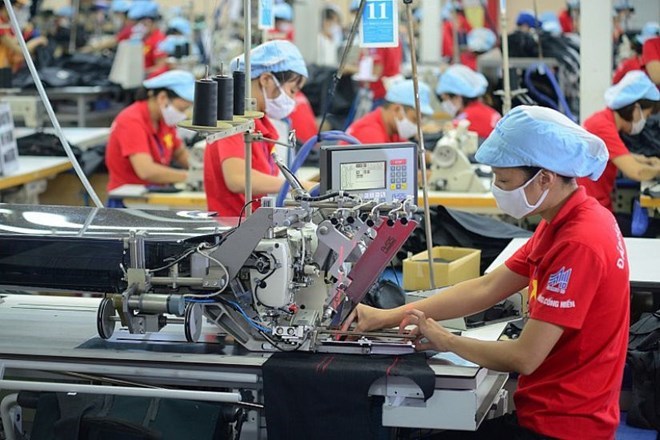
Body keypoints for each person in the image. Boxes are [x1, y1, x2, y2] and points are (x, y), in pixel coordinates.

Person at [345, 105, 630, 440]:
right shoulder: (564, 221)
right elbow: (488, 287)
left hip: (564, 427)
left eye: (504, 180)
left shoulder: (578, 242)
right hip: (556, 409)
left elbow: (525, 357)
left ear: (545, 178)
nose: (497, 188)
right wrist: (384, 317)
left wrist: (446, 340)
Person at [204, 40, 312, 217]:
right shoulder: (233, 119)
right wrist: (296, 185)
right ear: (266, 80)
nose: (292, 99)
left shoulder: (263, 125)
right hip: (234, 227)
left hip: (255, 223)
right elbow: (237, 178)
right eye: (292, 90)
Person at [577, 71, 660, 213]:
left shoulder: (603, 119)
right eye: (645, 116)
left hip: (593, 205)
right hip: (590, 210)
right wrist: (657, 170)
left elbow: (618, 155)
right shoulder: (603, 127)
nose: (644, 121)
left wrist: (646, 160)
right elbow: (637, 172)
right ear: (636, 109)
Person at [105, 70, 192, 199]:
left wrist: (202, 169)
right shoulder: (131, 121)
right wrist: (190, 177)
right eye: (181, 109)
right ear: (162, 98)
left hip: (154, 195)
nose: (183, 115)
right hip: (128, 201)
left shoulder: (163, 120)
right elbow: (146, 170)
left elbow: (179, 153)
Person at [346, 79, 434, 144]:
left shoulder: (392, 130)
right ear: (396, 109)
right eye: (414, 120)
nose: (417, 127)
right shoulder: (370, 134)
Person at [436, 64, 501, 139]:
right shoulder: (487, 111)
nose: (444, 104)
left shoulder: (466, 118)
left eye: (445, 99)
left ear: (458, 97)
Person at [0, 0, 48, 73]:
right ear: (6, 6)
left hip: (9, 66)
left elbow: (13, 40)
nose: (20, 10)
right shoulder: (1, 25)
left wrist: (24, 32)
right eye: (18, 6)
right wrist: (39, 40)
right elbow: (20, 50)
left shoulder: (6, 22)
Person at [127, 0, 167, 78]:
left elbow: (160, 68)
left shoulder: (158, 40)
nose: (139, 26)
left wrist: (142, 73)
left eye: (142, 23)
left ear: (149, 22)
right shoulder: (145, 38)